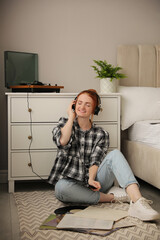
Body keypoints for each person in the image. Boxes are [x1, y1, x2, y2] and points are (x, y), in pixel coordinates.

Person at [48, 89, 160, 221]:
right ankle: (113, 197)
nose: (82, 107)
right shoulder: (64, 123)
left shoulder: (101, 134)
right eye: (79, 103)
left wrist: (91, 178)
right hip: (71, 184)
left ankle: (138, 202)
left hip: (95, 181)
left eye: (88, 105)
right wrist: (71, 117)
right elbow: (62, 142)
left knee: (115, 154)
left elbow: (96, 160)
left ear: (94, 110)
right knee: (61, 188)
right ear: (74, 105)